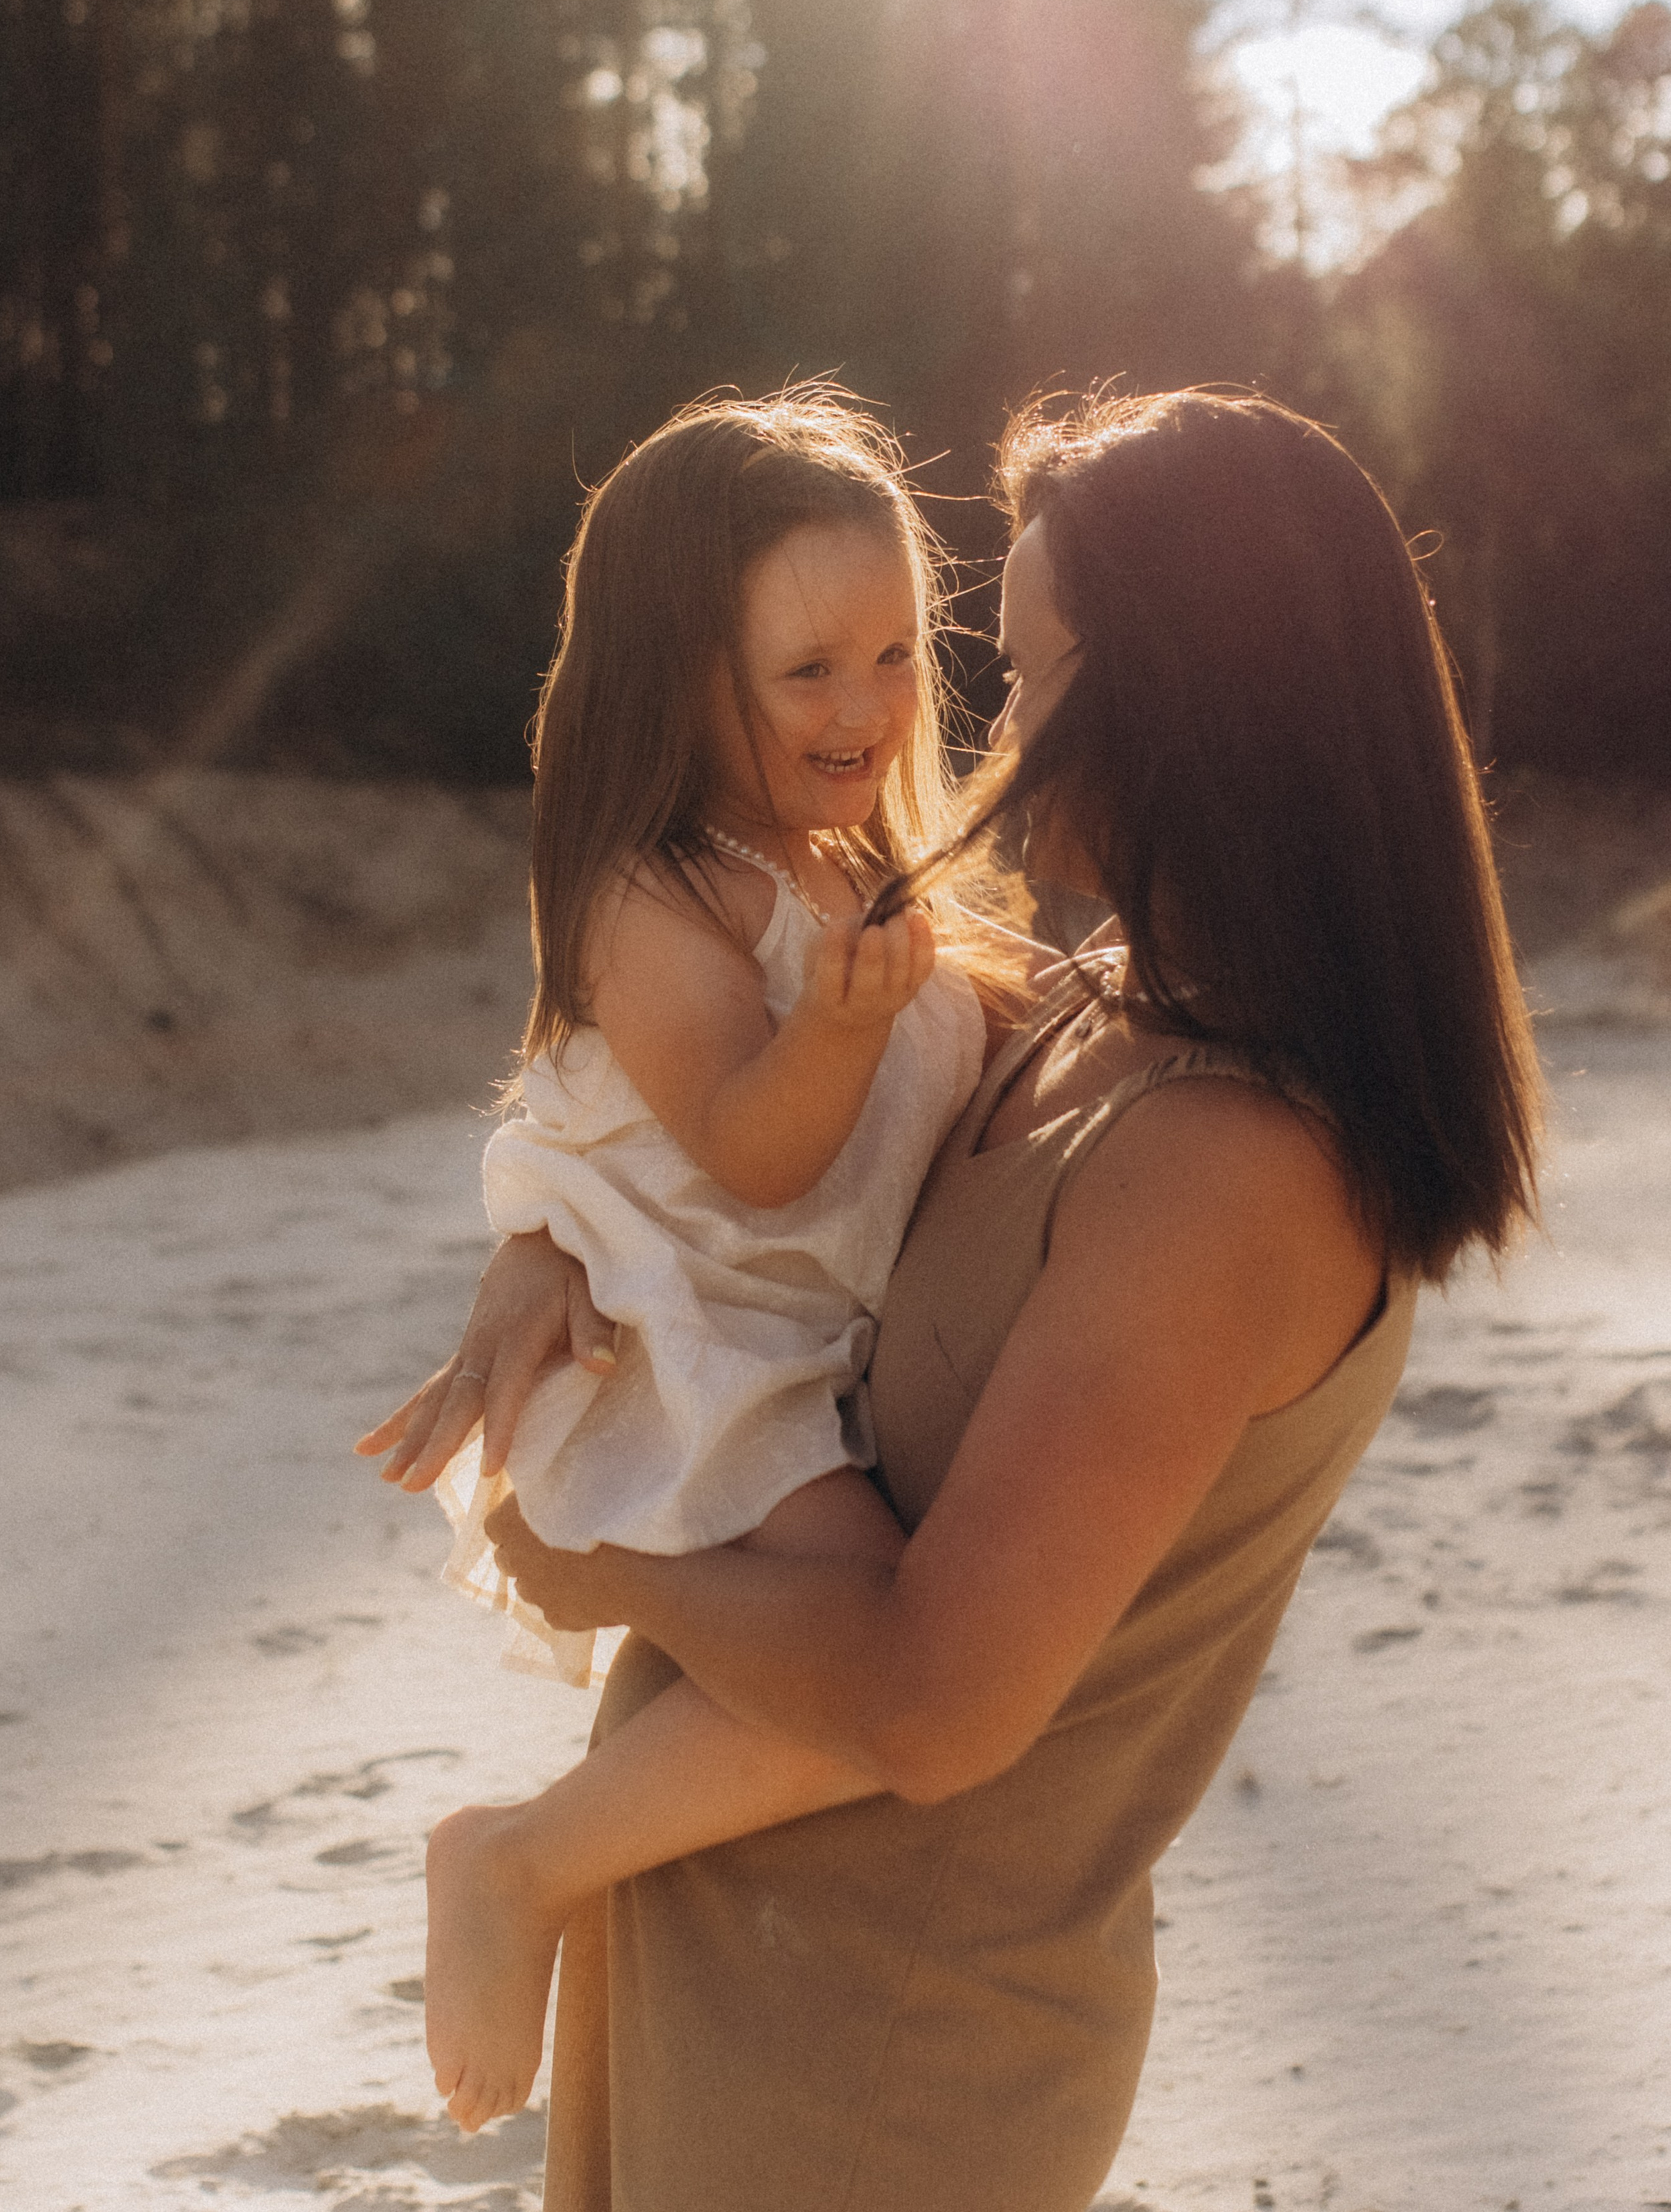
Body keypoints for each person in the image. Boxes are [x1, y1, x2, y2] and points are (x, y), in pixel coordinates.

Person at [362, 388, 1542, 2212]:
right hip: (726, 1941)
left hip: (882, 2055)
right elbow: (738, 1167)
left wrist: (605, 1568)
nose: (973, 717)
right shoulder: (1095, 1000)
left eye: (1033, 661)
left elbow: (932, 1703)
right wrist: (544, 1256)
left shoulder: (1227, 1164)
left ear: (1194, 715)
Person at [358, 391, 995, 2134]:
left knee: (903, 1670)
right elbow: (754, 1144)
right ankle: (517, 1861)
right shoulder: (661, 890)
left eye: (892, 651)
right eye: (808, 671)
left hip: (796, 1353)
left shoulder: (849, 861)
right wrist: (845, 1034)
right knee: (898, 1679)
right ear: (676, 673)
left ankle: (554, 1850)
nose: (865, 706)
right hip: (696, 1356)